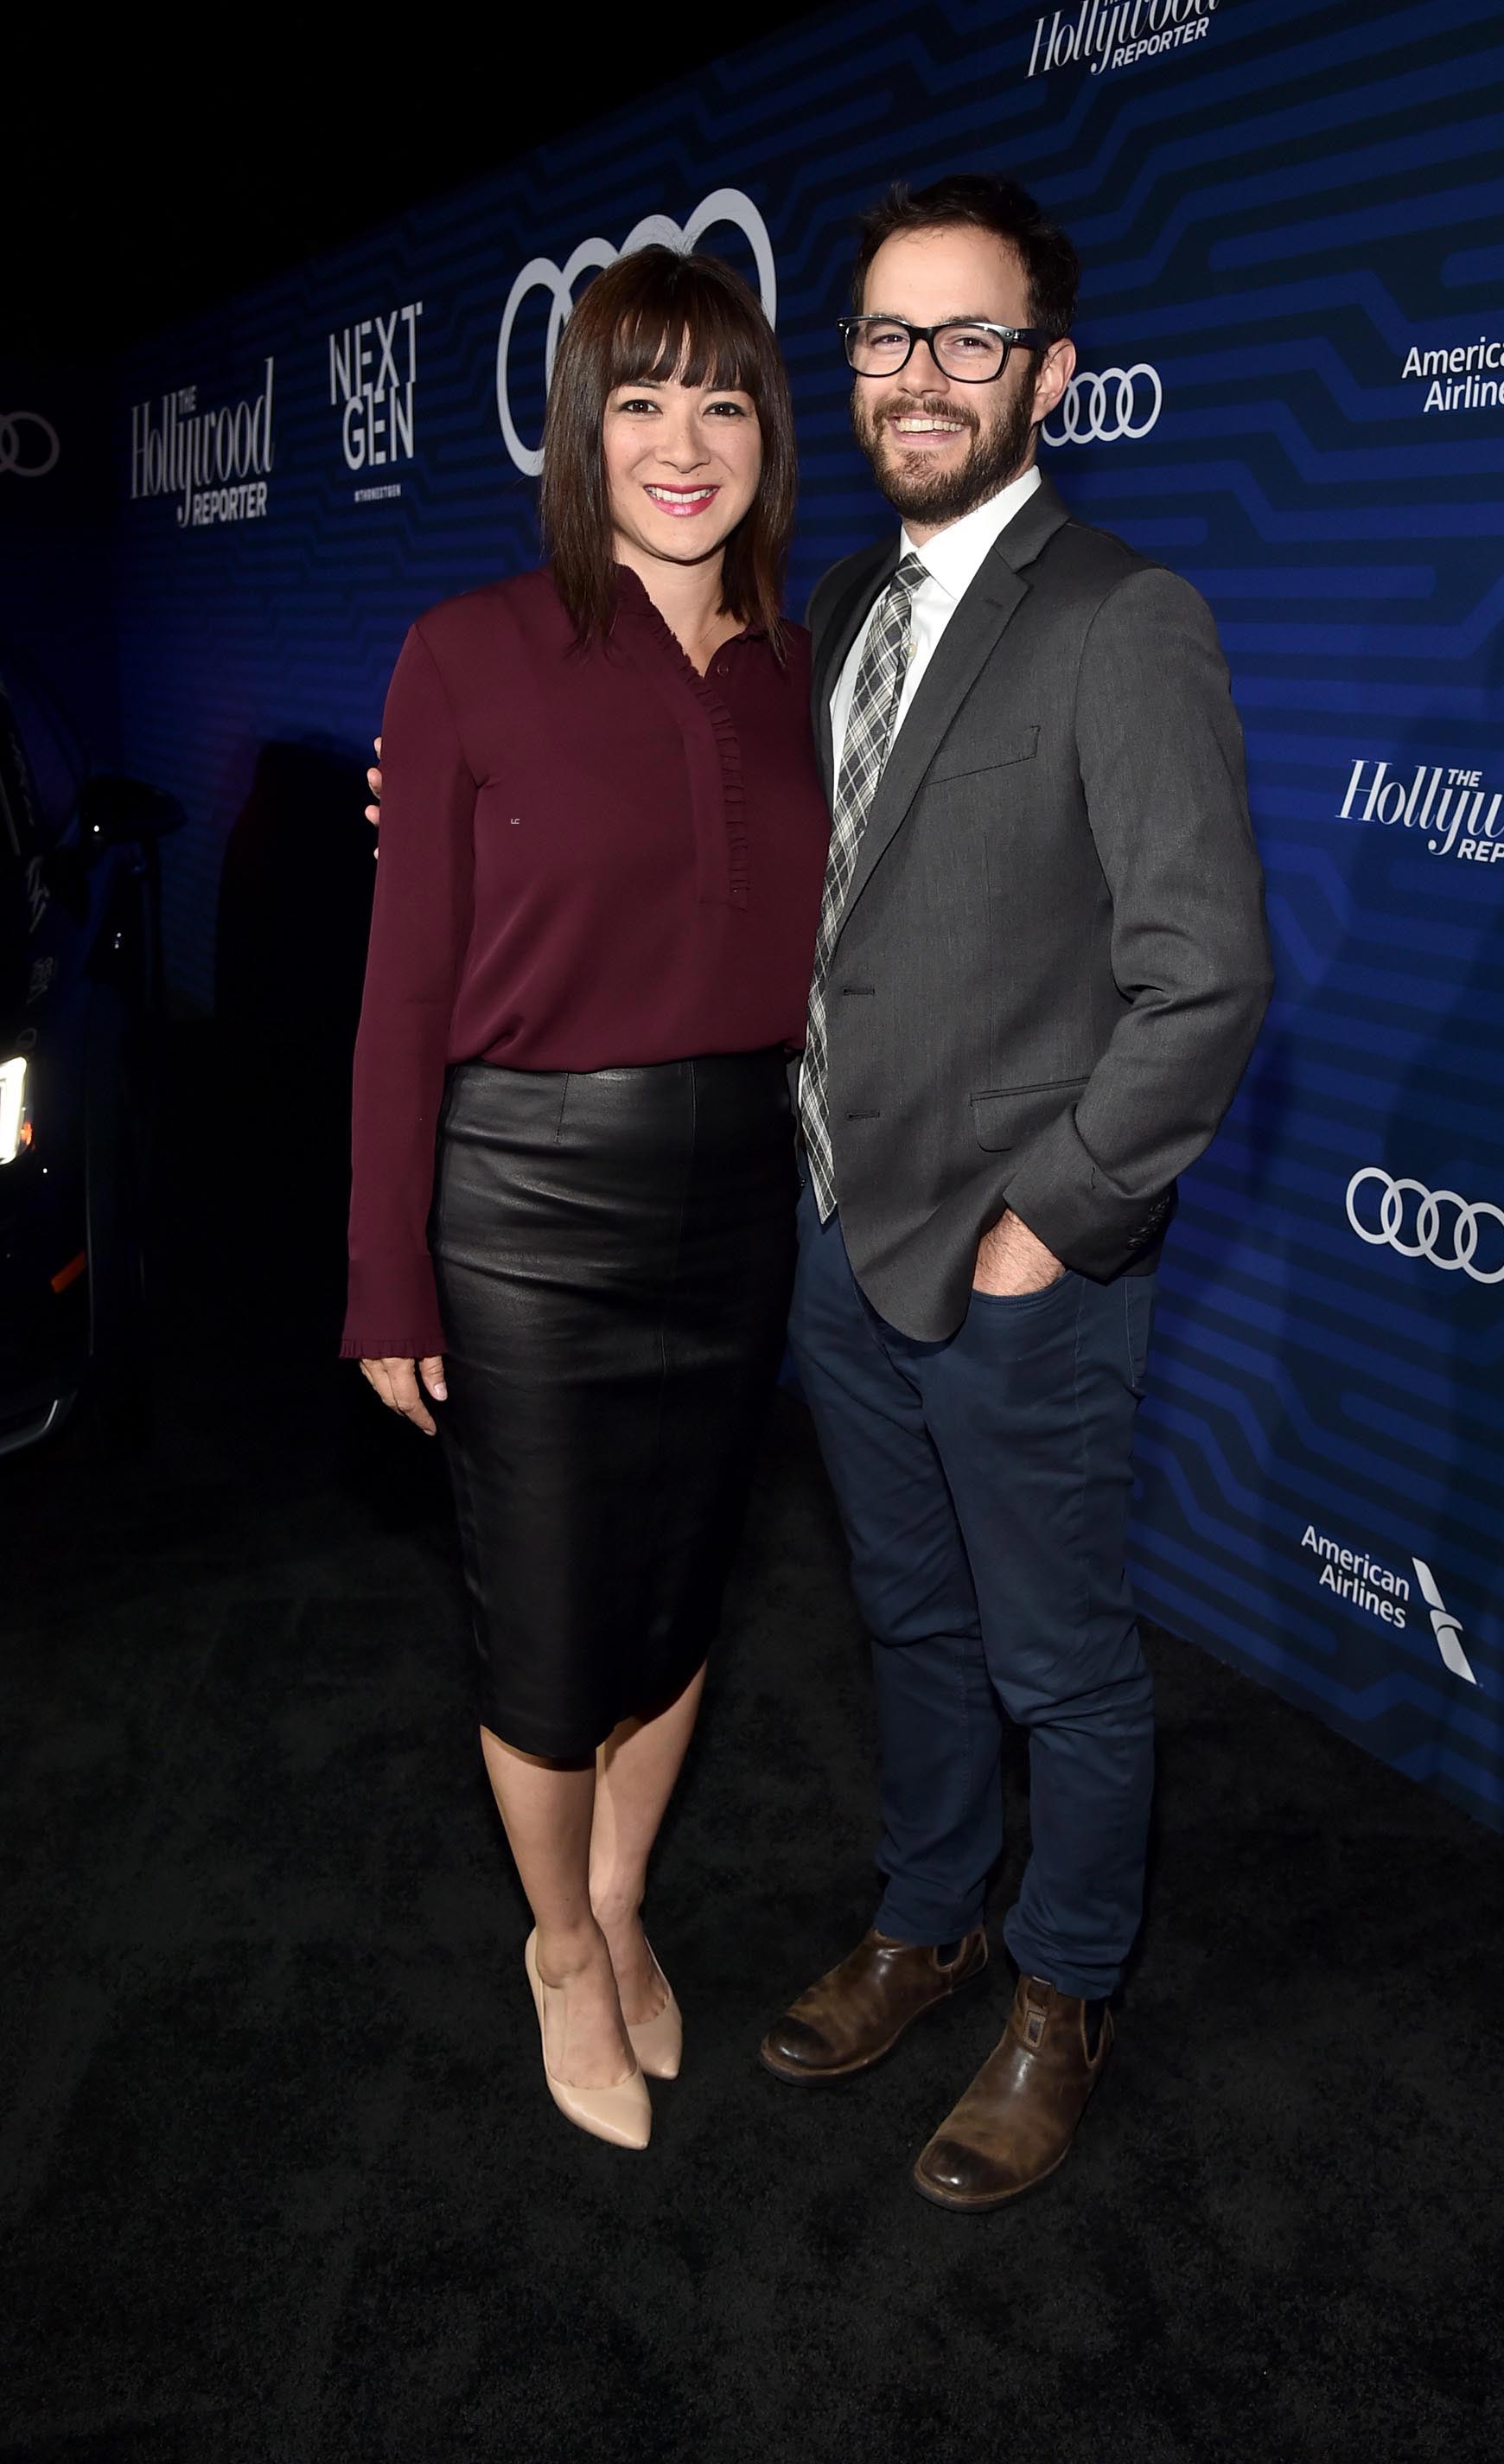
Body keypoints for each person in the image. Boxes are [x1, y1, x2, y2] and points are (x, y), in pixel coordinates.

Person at [756, 176, 1273, 2210]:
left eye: (972, 339)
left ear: (1052, 371)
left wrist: (1048, 1221)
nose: (920, 376)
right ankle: (931, 1913)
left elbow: (1205, 974)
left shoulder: (1121, 614)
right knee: (903, 1618)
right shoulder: (843, 612)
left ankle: (1064, 1991)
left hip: (1013, 1267)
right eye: (888, 336)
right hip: (829, 1229)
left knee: (1057, 1658)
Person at [343, 247, 827, 2152]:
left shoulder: (811, 662)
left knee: (682, 1600)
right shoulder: (467, 650)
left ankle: (625, 1900)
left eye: (721, 398)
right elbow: (396, 1000)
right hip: (526, 1213)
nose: (683, 441)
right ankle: (557, 1942)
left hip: (739, 1203)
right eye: (638, 399)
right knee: (549, 1638)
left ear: (767, 429)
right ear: (580, 428)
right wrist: (389, 1275)